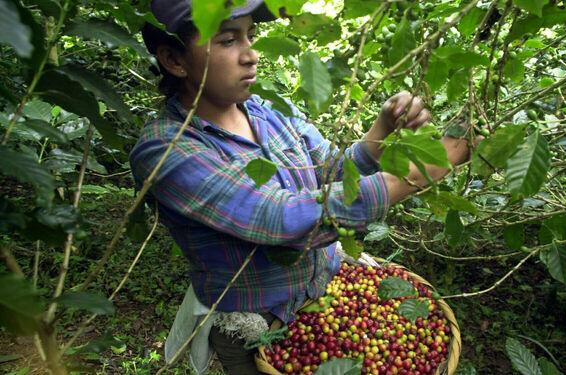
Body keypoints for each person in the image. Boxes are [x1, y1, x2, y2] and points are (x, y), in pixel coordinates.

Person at [130, 0, 473, 373]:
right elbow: (276, 217)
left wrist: (382, 129)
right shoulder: (165, 150)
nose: (251, 55)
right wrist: (418, 172)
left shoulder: (268, 111)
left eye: (251, 36)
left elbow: (330, 171)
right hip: (257, 323)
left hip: (323, 294)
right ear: (174, 59)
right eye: (229, 40)